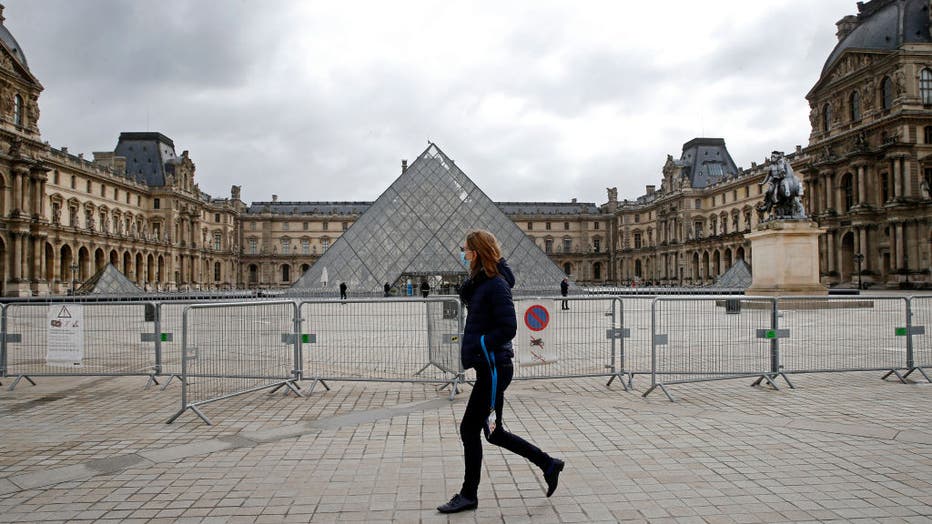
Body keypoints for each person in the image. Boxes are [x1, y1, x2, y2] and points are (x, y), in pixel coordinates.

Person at [437, 229, 564, 514]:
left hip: (495, 367)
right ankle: (549, 464)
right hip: (490, 367)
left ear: (478, 251)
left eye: (466, 248)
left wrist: (481, 344)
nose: (463, 253)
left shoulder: (495, 285)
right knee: (494, 433)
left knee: (470, 429)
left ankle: (469, 495)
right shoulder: (482, 283)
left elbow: (508, 328)